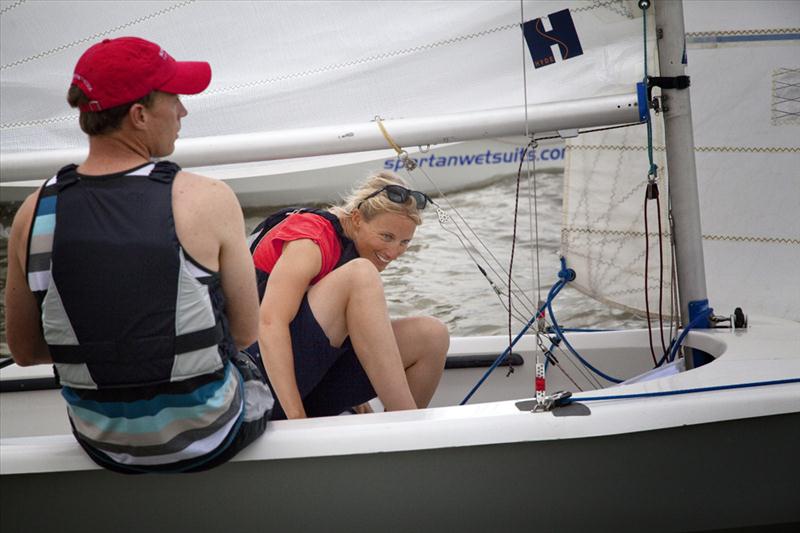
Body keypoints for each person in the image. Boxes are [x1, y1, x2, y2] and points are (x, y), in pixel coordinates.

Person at [4, 37, 272, 473]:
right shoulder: (207, 198)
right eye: (175, 98)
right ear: (139, 115)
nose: (183, 111)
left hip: (102, 441)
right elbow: (244, 332)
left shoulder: (33, 214)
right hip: (211, 434)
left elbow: (25, 351)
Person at [246, 172, 449, 419]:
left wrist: (357, 399)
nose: (394, 251)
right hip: (255, 384)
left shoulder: (355, 248)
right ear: (356, 219)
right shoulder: (312, 240)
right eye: (386, 237)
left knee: (432, 336)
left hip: (310, 381)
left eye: (404, 242)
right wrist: (297, 418)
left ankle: (393, 438)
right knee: (360, 274)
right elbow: (269, 322)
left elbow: (349, 329)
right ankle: (410, 425)